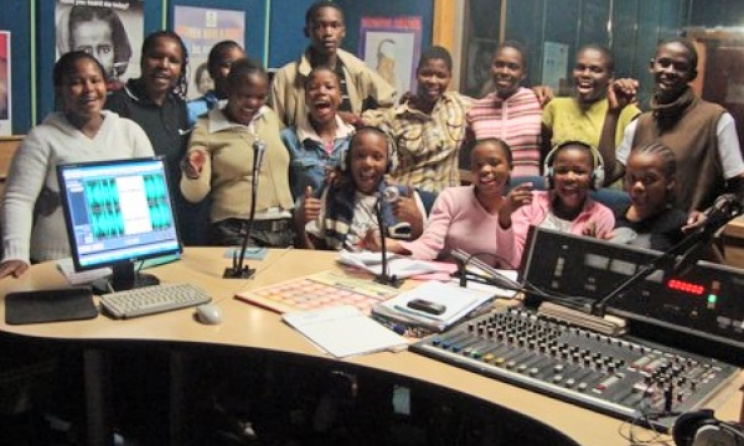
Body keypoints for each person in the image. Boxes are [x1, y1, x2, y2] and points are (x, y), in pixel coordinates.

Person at [0, 51, 153, 279]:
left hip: (120, 259)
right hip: (54, 263)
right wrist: (16, 254)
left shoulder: (129, 131)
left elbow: (151, 193)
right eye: (75, 83)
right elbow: (18, 199)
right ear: (60, 90)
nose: (89, 89)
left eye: (95, 80)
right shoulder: (42, 138)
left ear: (106, 85)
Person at [615, 38, 744, 212]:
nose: (670, 71)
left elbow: (738, 187)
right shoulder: (640, 123)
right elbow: (607, 176)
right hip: (638, 233)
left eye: (680, 67)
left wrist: (708, 216)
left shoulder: (716, 119)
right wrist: (612, 112)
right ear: (652, 66)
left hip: (687, 235)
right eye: (664, 63)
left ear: (692, 75)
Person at [105, 30, 207, 245]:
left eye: (173, 60)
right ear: (142, 60)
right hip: (135, 219)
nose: (164, 65)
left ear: (181, 69)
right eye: (156, 56)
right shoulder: (117, 105)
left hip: (176, 217)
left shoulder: (178, 106)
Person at [181, 57, 295, 247]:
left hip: (284, 230)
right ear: (229, 90)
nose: (252, 103)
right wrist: (194, 173)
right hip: (237, 232)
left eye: (260, 96)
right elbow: (194, 194)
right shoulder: (206, 126)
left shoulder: (269, 117)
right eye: (244, 95)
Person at [369, 138, 529, 267]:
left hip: (491, 290)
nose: (485, 170)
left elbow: (510, 264)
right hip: (447, 283)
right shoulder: (451, 198)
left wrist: (505, 218)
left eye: (494, 163)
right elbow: (429, 246)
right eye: (478, 165)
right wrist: (391, 246)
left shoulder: (520, 209)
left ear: (510, 168)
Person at [296, 126, 426, 250]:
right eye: (360, 156)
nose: (368, 163)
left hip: (390, 271)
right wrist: (300, 224)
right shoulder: (333, 195)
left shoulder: (407, 197)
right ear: (347, 161)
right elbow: (313, 254)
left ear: (389, 163)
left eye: (377, 157)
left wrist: (418, 224)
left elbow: (425, 252)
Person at [270, 1, 397, 128]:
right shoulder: (286, 77)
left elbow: (389, 104)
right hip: (302, 146)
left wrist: (364, 120)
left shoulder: (356, 69)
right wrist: (334, 118)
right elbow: (273, 126)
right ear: (307, 31)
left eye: (335, 26)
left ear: (343, 31)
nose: (328, 33)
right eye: (320, 26)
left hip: (350, 145)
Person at [364, 46, 470, 193]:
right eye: (426, 74)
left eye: (441, 76)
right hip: (407, 198)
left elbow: (491, 107)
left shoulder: (459, 106)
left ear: (450, 77)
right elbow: (366, 124)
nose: (433, 81)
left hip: (447, 203)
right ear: (416, 74)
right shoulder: (395, 117)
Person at [542, 44, 640, 184]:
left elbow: (611, 173)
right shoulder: (555, 107)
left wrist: (613, 112)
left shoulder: (627, 112)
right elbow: (545, 160)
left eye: (596, 70)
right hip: (562, 193)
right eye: (580, 68)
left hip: (606, 198)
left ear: (610, 77)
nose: (586, 74)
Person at [509, 141, 615, 266]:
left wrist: (589, 254)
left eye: (579, 171)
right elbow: (512, 261)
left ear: (594, 177)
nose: (569, 177)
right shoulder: (530, 202)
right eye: (562, 171)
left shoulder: (602, 216)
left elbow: (595, 274)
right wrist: (505, 219)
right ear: (550, 175)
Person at [466, 41, 543, 177]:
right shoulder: (476, 110)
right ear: (491, 67)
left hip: (529, 191)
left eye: (513, 67)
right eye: (499, 65)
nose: (504, 72)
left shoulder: (538, 103)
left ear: (523, 73)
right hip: (490, 193)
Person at [281, 66, 355, 201]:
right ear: (306, 98)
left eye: (329, 87)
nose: (321, 91)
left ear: (340, 96)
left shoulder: (354, 139)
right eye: (313, 88)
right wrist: (298, 213)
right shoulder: (288, 139)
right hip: (305, 221)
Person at [608, 141, 687, 251]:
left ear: (669, 182)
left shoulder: (680, 224)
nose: (638, 186)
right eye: (632, 178)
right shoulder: (610, 215)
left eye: (649, 179)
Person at [57, 5, 133, 91]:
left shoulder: (127, 96)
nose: (96, 60)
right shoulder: (61, 96)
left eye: (105, 50)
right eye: (84, 51)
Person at [187, 40, 246, 125]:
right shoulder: (192, 111)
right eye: (228, 66)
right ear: (211, 70)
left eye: (241, 66)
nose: (235, 72)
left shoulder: (251, 111)